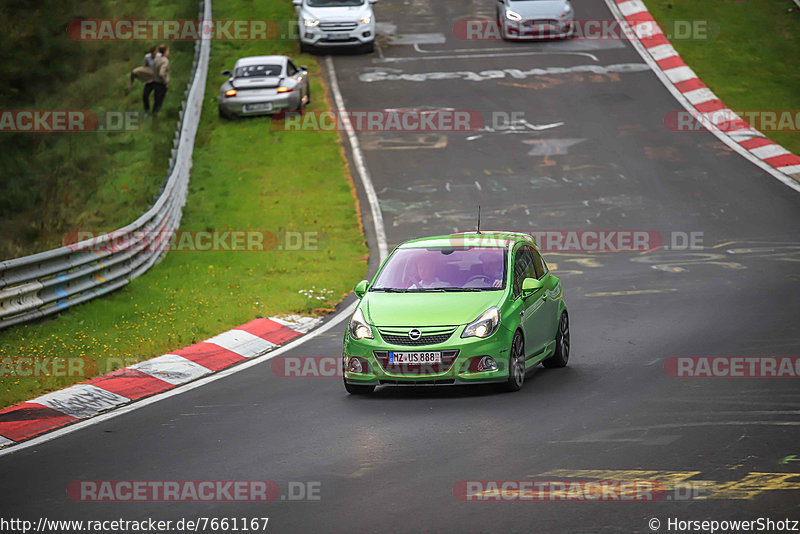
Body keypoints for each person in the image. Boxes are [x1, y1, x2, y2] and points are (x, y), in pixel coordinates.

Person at [151, 44, 170, 115]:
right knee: (160, 100)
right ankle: (156, 114)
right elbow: (161, 73)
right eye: (168, 50)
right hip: (161, 83)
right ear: (165, 52)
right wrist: (166, 81)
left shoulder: (156, 59)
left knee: (156, 99)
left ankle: (153, 113)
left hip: (155, 81)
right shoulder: (165, 61)